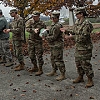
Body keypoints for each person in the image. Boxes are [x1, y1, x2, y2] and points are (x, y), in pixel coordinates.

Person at [61, 7, 94, 87]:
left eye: (77, 14)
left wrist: (71, 37)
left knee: (85, 64)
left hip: (85, 48)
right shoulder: (78, 22)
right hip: (78, 47)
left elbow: (83, 37)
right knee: (78, 63)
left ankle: (90, 79)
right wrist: (66, 31)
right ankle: (80, 76)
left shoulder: (86, 24)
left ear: (81, 14)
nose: (76, 16)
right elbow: (75, 32)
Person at [45, 11, 66, 81]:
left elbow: (54, 37)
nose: (52, 19)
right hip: (53, 45)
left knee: (58, 60)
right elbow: (52, 32)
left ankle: (63, 74)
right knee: (52, 58)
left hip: (57, 45)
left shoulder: (57, 26)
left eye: (54, 18)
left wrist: (45, 37)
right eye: (52, 18)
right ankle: (54, 71)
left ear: (57, 18)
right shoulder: (53, 24)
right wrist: (47, 31)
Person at [26, 11, 46, 76]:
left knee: (39, 56)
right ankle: (35, 66)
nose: (34, 17)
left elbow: (44, 31)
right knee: (31, 55)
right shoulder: (30, 21)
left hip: (38, 41)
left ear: (38, 16)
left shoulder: (42, 23)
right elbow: (27, 28)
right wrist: (33, 30)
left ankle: (40, 69)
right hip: (31, 41)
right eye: (33, 16)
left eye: (35, 16)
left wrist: (42, 34)